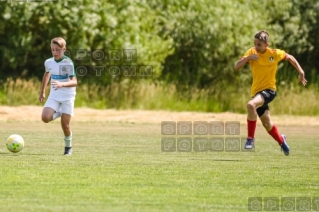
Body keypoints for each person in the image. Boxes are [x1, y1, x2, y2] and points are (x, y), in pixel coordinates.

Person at [234, 30, 307, 156]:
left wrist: (301, 72)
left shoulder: (274, 53)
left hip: (269, 91)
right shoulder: (251, 52)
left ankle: (250, 139)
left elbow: (290, 57)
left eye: (259, 45)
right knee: (267, 124)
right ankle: (281, 140)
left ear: (267, 44)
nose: (256, 47)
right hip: (257, 92)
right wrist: (249, 58)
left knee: (251, 105)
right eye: (255, 44)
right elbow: (237, 67)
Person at [39, 37, 77, 155]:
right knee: (45, 118)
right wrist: (43, 91)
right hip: (54, 96)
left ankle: (68, 147)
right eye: (53, 50)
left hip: (68, 97)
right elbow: (46, 76)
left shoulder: (67, 63)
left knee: (65, 126)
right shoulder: (48, 62)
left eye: (58, 50)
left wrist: (62, 84)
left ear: (64, 49)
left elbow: (74, 82)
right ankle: (60, 112)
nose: (55, 52)